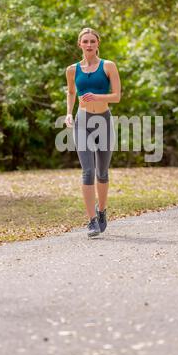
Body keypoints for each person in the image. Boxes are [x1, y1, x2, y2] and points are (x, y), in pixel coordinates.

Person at [65, 28, 121, 238]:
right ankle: (91, 221)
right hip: (83, 121)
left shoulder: (108, 66)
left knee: (102, 172)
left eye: (92, 41)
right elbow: (71, 92)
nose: (89, 45)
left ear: (98, 44)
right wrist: (68, 114)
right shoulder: (72, 70)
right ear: (79, 44)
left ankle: (102, 210)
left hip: (103, 121)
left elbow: (116, 97)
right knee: (87, 171)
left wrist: (96, 97)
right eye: (85, 41)